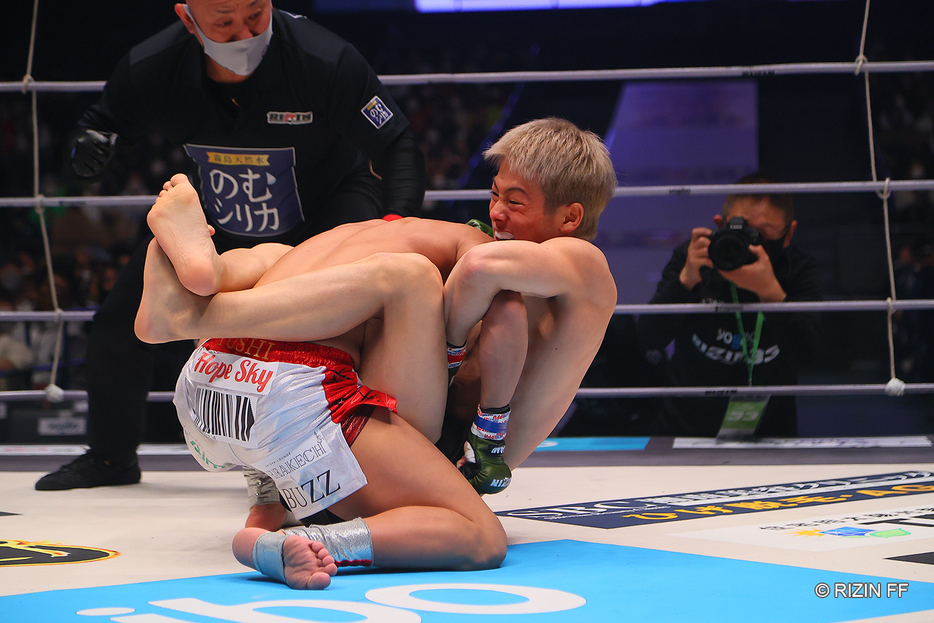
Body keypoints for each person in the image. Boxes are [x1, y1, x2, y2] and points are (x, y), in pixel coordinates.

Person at [137, 117, 618, 542]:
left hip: (215, 381)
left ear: (571, 217)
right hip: (326, 408)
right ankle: (200, 310)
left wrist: (453, 342)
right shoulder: (479, 253)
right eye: (494, 195)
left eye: (515, 202)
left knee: (321, 265)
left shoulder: (581, 264)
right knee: (398, 282)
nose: (496, 212)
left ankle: (207, 283)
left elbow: (484, 269)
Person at [37, 0, 425, 491]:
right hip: (221, 222)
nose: (244, 32)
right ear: (188, 20)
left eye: (256, 14)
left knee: (361, 316)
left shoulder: (324, 59)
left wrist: (390, 230)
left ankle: (381, 457)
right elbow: (99, 126)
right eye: (224, 21)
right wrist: (86, 151)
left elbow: (397, 145)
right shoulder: (154, 66)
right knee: (122, 319)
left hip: (328, 209)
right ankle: (110, 458)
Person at [636, 174, 823, 438]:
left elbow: (810, 356)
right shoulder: (693, 258)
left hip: (769, 432)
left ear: (788, 234)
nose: (753, 242)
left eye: (765, 234)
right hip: (684, 428)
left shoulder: (797, 270)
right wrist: (686, 282)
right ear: (719, 225)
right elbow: (648, 337)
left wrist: (772, 294)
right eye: (743, 231)